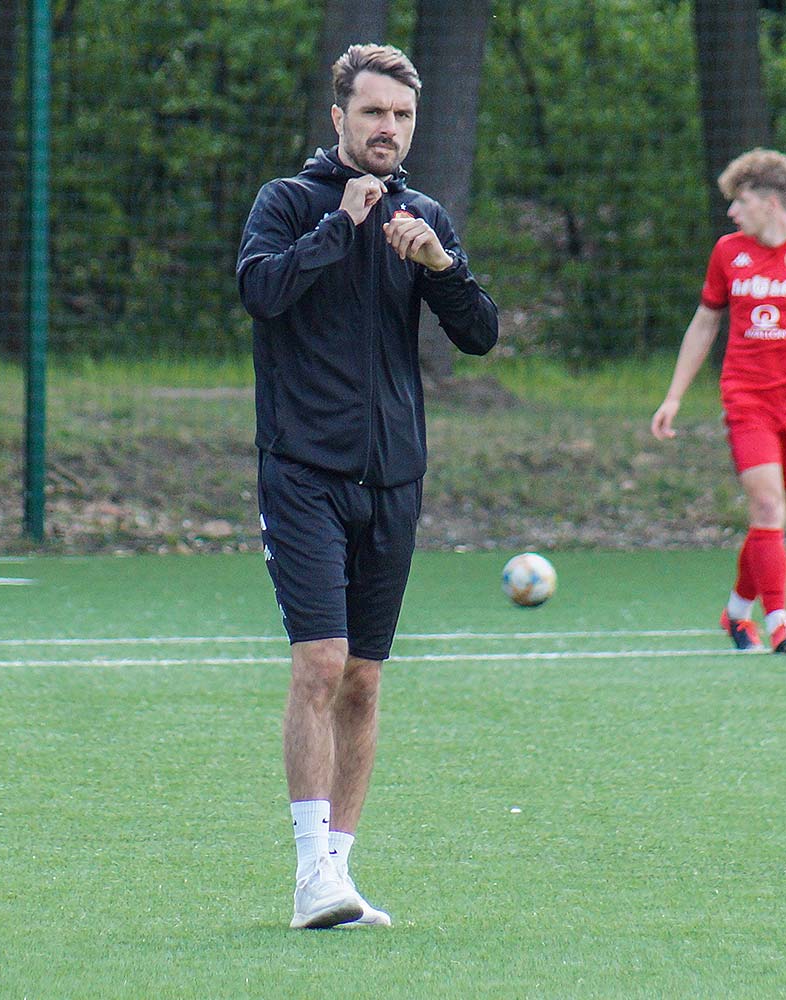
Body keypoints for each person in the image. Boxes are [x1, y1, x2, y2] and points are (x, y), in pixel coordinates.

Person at [237, 43, 498, 928]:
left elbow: (480, 334)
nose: (389, 127)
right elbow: (261, 293)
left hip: (393, 479)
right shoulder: (289, 203)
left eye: (402, 115)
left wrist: (441, 266)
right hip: (303, 472)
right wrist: (338, 228)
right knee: (319, 662)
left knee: (363, 681)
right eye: (374, 111)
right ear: (339, 117)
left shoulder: (423, 216)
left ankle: (340, 874)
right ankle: (309, 873)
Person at [651, 148, 786, 654]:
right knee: (767, 505)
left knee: (772, 518)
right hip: (746, 399)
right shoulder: (728, 253)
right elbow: (704, 324)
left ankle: (735, 614)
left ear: (771, 203)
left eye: (741, 202)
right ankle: (780, 624)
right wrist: (673, 396)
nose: (732, 212)